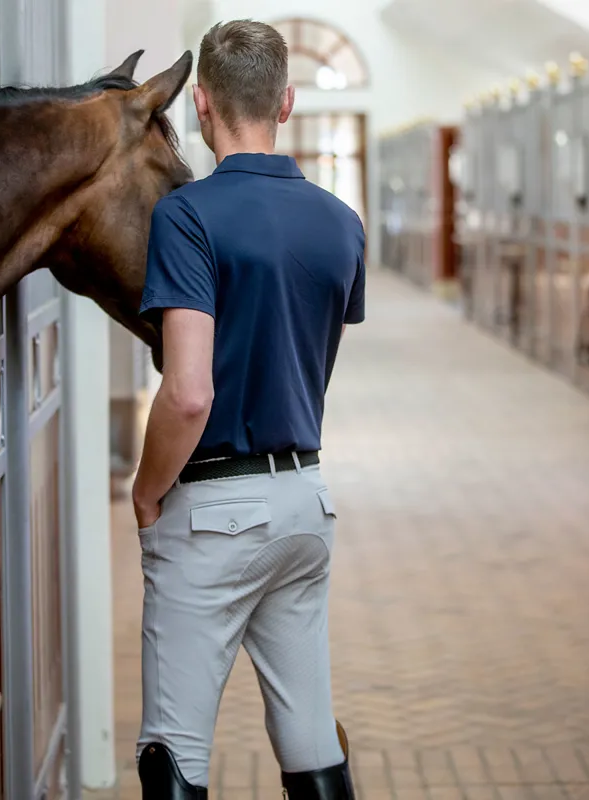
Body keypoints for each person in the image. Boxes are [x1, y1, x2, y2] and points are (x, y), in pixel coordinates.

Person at [131, 19, 365, 800]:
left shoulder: (187, 216)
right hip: (306, 503)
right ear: (287, 101)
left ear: (200, 104)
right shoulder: (341, 223)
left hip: (213, 513)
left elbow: (190, 391)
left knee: (173, 751)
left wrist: (144, 489)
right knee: (309, 739)